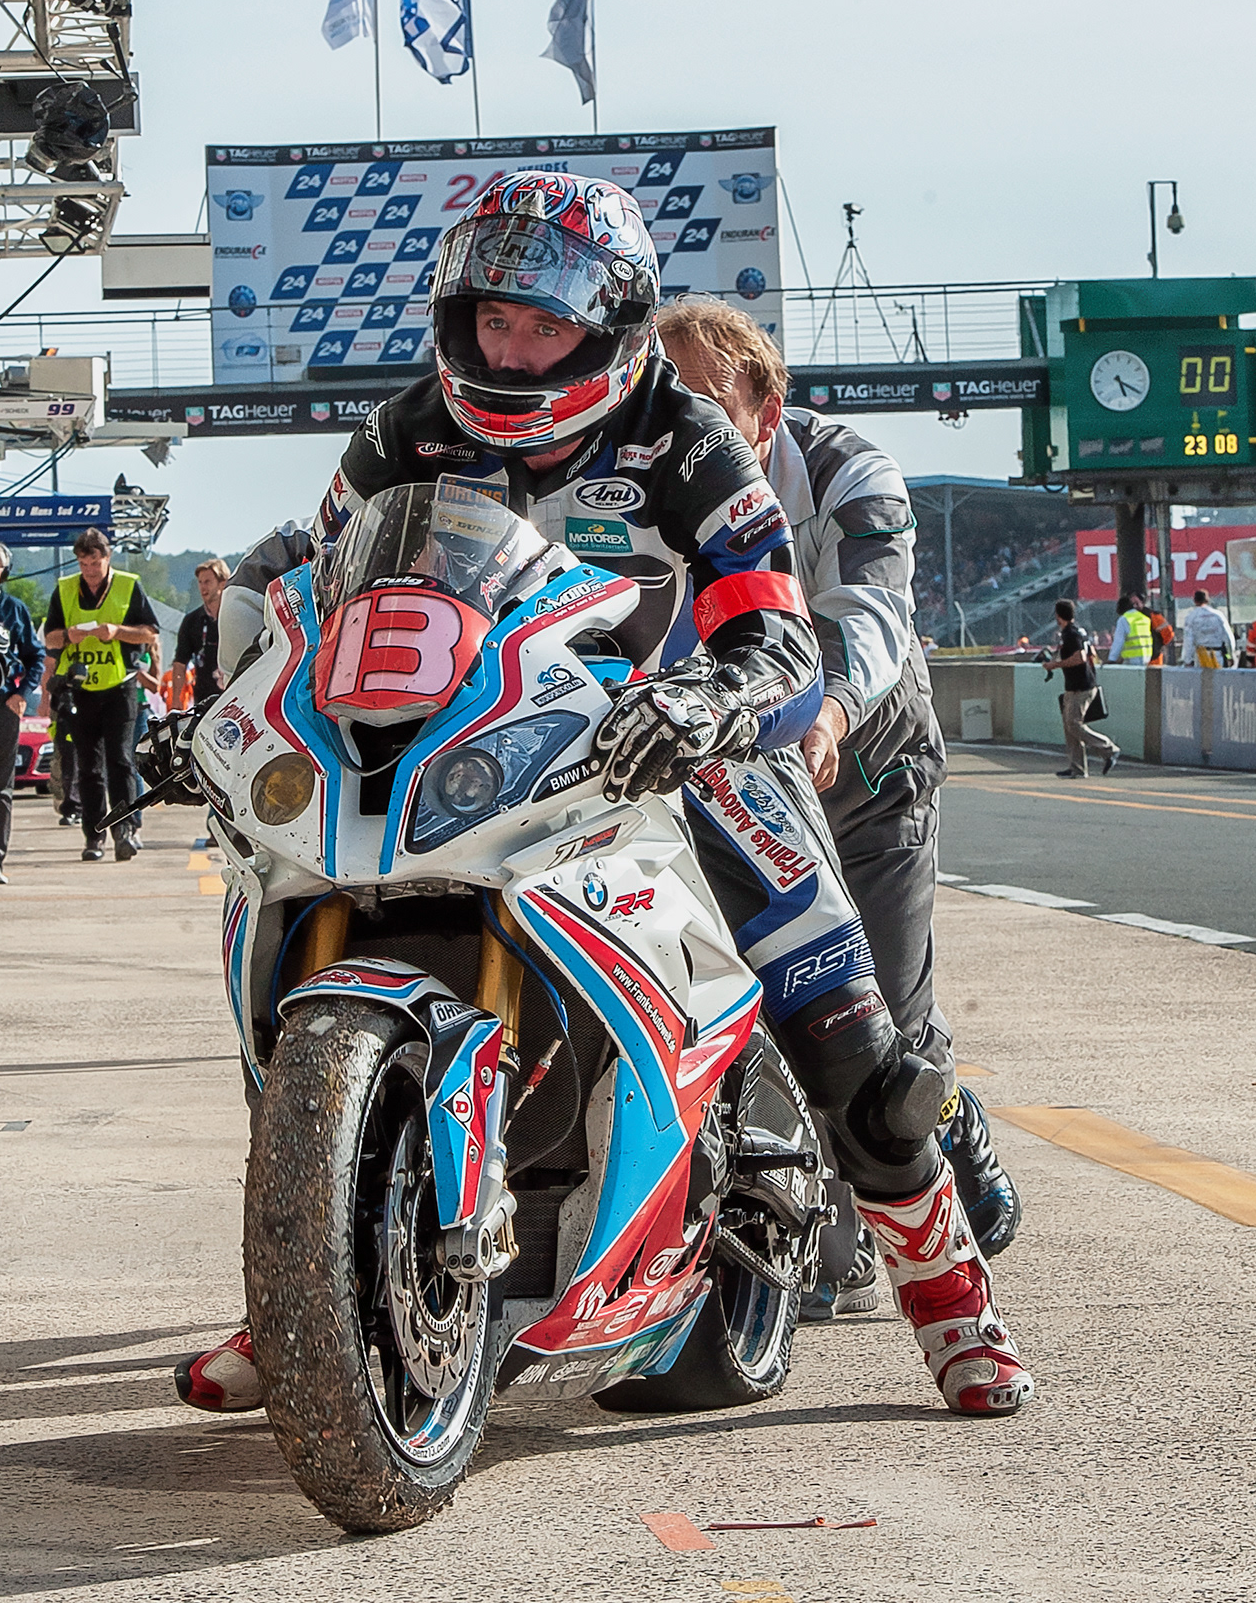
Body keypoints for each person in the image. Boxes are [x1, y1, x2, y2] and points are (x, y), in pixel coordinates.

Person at [181, 173, 1032, 1420]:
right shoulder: (401, 431)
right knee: (289, 928)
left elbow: (781, 634)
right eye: (493, 322)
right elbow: (320, 593)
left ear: (614, 323)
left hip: (677, 743)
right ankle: (306, 1282)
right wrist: (236, 710)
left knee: (851, 1035)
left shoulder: (689, 437)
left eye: (545, 325)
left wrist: (711, 701)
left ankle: (950, 1297)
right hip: (474, 741)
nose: (513, 350)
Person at [655, 296, 1020, 1293]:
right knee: (764, 1000)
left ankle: (948, 1128)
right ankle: (821, 1223)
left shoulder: (849, 468)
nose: (671, 415)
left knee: (881, 1016)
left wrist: (830, 709)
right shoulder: (627, 475)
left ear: (763, 404)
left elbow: (872, 609)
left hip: (866, 760)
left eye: (698, 395)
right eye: (655, 393)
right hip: (730, 771)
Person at [39, 528, 160, 862]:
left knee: (120, 760)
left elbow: (150, 633)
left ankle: (126, 830)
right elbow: (49, 638)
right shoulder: (64, 590)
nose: (89, 570)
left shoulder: (128, 585)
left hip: (119, 685)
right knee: (88, 766)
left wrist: (117, 632)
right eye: (83, 563)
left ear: (107, 558)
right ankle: (94, 837)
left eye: (94, 562)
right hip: (79, 690)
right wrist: (68, 635)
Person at [0, 535, 44, 883]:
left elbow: (36, 657)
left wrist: (21, 695)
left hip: (1, 711)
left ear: (3, 572)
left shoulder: (14, 610)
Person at [1045, 599, 1119, 779]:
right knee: (1069, 726)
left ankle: (1108, 749)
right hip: (1077, 684)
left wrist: (1056, 665)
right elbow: (1092, 653)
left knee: (1073, 724)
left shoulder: (1070, 634)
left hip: (1081, 686)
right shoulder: (1078, 631)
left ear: (1058, 615)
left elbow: (1081, 657)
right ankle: (1077, 767)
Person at [172, 558, 230, 711]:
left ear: (222, 583)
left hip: (233, 695)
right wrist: (176, 699)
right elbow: (180, 662)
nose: (203, 588)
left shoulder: (235, 617)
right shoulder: (192, 620)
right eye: (200, 582)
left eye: (208, 582)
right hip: (203, 698)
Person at [1182, 588, 1236, 669]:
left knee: (1203, 680)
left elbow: (1188, 640)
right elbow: (1228, 636)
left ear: (1195, 601)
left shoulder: (1191, 617)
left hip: (1201, 656)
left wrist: (1188, 660)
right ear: (1207, 600)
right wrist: (1231, 655)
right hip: (1218, 654)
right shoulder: (1218, 615)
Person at [1107, 593, 1153, 665]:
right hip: (1147, 657)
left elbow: (1118, 641)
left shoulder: (1124, 619)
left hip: (1133, 657)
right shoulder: (1145, 618)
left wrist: (1112, 659)